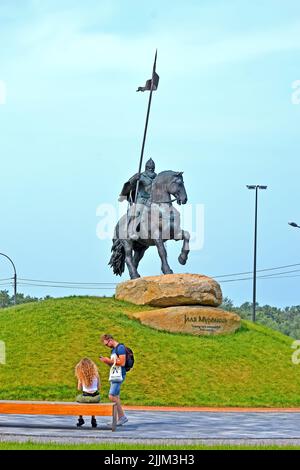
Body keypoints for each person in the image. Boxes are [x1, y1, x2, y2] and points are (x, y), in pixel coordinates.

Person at [118, 158, 157, 240]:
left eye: (153, 168)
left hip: (154, 201)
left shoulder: (157, 177)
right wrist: (134, 179)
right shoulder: (141, 176)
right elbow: (129, 185)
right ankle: (130, 230)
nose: (151, 169)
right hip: (142, 200)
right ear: (146, 168)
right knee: (137, 211)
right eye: (149, 168)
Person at [99, 334, 128, 426]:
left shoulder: (120, 348)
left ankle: (122, 417)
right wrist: (107, 361)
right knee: (116, 396)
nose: (107, 346)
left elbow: (122, 362)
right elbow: (114, 364)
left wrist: (109, 361)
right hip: (115, 375)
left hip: (119, 375)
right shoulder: (113, 350)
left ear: (110, 340)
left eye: (106, 344)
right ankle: (118, 418)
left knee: (112, 396)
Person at [75, 357, 101, 428]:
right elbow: (99, 387)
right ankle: (93, 419)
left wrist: (80, 380)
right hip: (96, 398)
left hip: (86, 397)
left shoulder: (81, 376)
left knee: (78, 398)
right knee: (93, 402)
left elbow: (79, 388)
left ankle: (80, 418)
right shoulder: (96, 374)